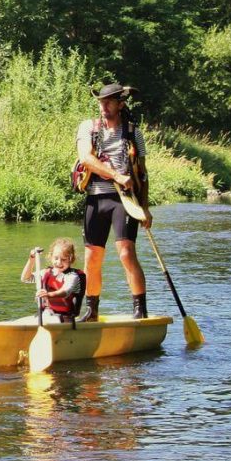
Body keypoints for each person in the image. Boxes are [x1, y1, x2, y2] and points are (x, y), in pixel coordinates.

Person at [76, 83, 152, 321]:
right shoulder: (88, 127)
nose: (103, 106)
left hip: (125, 201)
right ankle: (92, 310)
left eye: (109, 102)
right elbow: (86, 158)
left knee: (126, 253)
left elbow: (142, 173)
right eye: (101, 101)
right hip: (96, 198)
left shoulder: (133, 132)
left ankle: (140, 310)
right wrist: (117, 175)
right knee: (91, 256)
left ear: (121, 104)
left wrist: (145, 208)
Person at [20, 238, 85, 323]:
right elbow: (25, 278)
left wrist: (48, 295)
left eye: (64, 259)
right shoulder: (45, 273)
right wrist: (32, 258)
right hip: (46, 314)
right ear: (51, 257)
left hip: (65, 318)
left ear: (71, 259)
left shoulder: (72, 276)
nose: (59, 262)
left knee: (50, 319)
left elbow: (65, 292)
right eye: (56, 258)